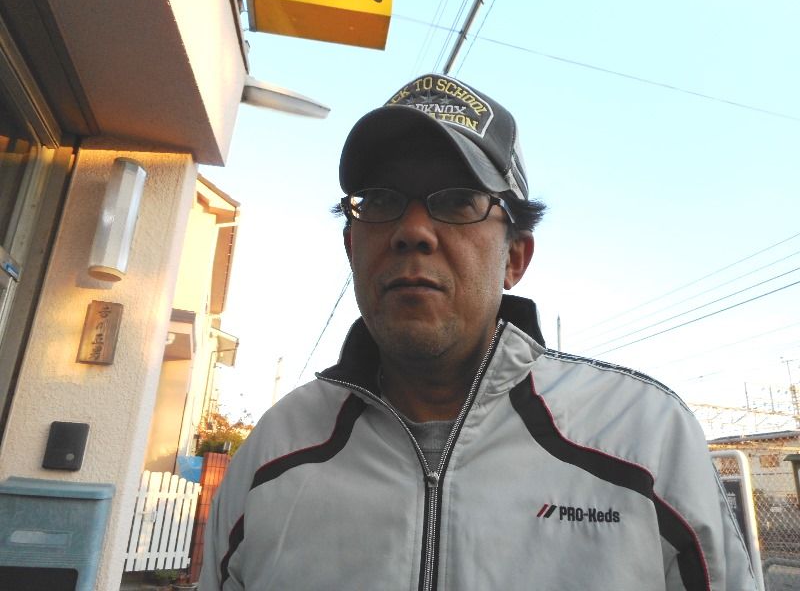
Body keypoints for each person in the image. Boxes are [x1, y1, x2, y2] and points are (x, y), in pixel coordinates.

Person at [200, 73, 756, 590]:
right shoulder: (276, 454)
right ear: (351, 246)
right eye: (381, 200)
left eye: (458, 200)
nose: (412, 231)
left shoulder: (643, 439)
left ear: (515, 258)